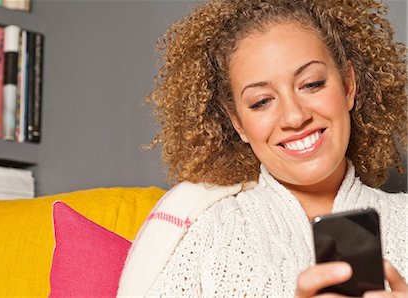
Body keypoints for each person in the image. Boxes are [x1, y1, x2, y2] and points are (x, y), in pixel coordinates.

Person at [117, 0, 407, 297]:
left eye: (311, 84)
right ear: (238, 123)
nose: (295, 117)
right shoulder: (205, 234)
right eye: (261, 101)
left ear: (348, 86)